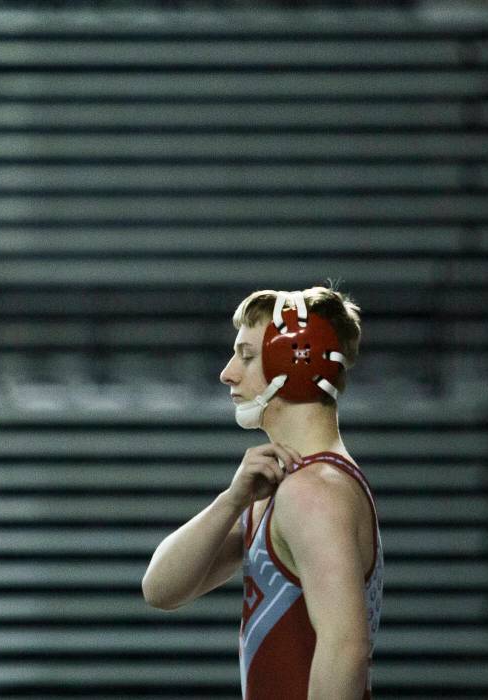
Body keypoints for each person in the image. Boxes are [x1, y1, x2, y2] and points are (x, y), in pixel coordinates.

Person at [142, 286, 383, 699]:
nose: (228, 372)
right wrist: (232, 500)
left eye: (247, 356)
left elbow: (346, 647)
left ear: (295, 362)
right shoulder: (286, 486)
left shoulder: (313, 492)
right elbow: (161, 589)